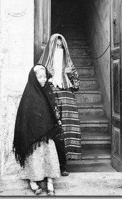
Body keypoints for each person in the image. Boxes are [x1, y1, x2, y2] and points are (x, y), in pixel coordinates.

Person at [13, 65, 62, 196]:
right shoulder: (29, 94)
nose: (43, 79)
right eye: (40, 77)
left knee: (49, 156)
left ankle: (50, 181)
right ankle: (33, 182)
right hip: (34, 137)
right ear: (33, 78)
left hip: (47, 135)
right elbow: (26, 118)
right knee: (34, 158)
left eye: (45, 76)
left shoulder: (48, 92)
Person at [38, 33, 82, 175]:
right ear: (51, 47)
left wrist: (69, 74)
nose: (59, 49)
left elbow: (76, 85)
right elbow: (38, 84)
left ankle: (63, 165)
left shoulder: (68, 64)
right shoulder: (44, 66)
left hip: (67, 99)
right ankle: (50, 165)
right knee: (53, 130)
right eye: (56, 46)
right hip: (52, 99)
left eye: (61, 46)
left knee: (66, 131)